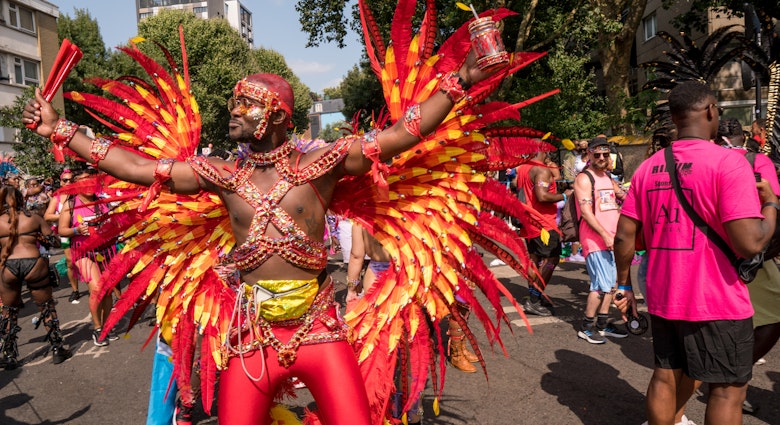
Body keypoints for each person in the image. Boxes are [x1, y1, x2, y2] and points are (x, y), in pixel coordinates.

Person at [24, 49, 491, 423]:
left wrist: (461, 81)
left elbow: (400, 134)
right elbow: (138, 168)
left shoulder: (321, 165)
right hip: (251, 337)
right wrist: (61, 130)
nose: (234, 111)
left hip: (320, 329)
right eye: (234, 102)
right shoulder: (222, 174)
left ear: (279, 115)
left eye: (246, 103)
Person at [614, 81, 778, 425]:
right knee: (727, 390)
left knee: (665, 375)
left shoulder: (648, 168)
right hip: (716, 298)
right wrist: (771, 203)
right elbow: (751, 242)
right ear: (710, 111)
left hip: (663, 294)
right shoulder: (728, 164)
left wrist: (624, 285)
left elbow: (624, 236)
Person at [0, 186, 71, 369]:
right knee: (46, 306)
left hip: (8, 267)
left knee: (9, 311)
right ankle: (57, 348)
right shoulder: (34, 218)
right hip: (34, 263)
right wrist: (39, 236)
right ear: (21, 199)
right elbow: (54, 242)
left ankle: (9, 355)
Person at [573, 136, 628, 344]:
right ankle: (586, 327)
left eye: (606, 154)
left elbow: (623, 197)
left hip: (613, 239)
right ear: (589, 155)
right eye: (597, 154)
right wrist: (605, 234)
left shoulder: (608, 178)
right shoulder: (584, 178)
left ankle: (603, 324)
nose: (602, 158)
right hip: (595, 240)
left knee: (611, 284)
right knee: (600, 284)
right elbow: (586, 212)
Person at [57, 166, 118, 346]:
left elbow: (113, 224)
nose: (89, 185)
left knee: (107, 293)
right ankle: (97, 329)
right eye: (84, 182)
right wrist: (76, 229)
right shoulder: (70, 204)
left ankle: (107, 326)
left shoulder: (103, 202)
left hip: (105, 251)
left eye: (91, 181)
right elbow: (62, 230)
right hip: (83, 252)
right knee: (97, 289)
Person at [512, 147, 572, 316]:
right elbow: (543, 196)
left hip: (529, 222)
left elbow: (515, 185)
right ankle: (534, 299)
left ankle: (535, 294)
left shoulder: (523, 167)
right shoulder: (542, 170)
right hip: (543, 224)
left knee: (535, 260)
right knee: (552, 259)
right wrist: (565, 195)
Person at [43, 169, 81, 303]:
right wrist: (64, 216)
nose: (68, 182)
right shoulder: (57, 197)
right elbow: (47, 216)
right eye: (65, 180)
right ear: (61, 182)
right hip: (66, 235)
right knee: (70, 262)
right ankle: (75, 290)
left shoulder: (81, 194)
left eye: (71, 179)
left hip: (83, 232)